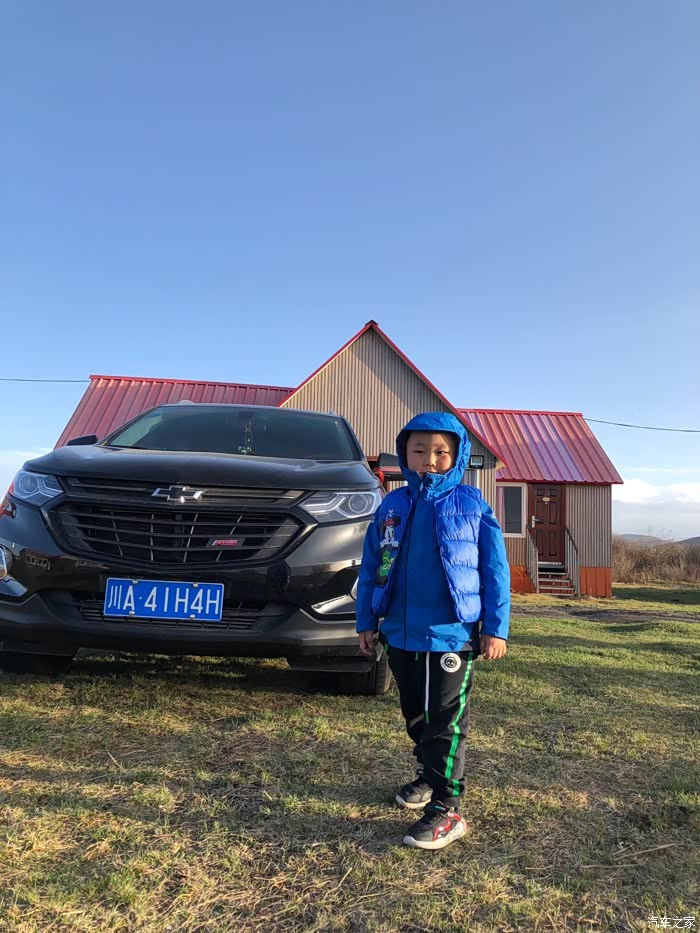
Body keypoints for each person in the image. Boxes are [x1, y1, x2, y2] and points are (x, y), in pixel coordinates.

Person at [356, 412, 510, 850]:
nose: (429, 459)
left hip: (451, 634)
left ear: (457, 456)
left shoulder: (472, 504)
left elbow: (495, 570)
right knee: (415, 715)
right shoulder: (391, 506)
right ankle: (428, 774)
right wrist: (367, 619)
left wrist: (495, 628)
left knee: (444, 719)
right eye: (419, 450)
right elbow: (372, 566)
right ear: (404, 454)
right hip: (400, 632)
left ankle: (447, 805)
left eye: (441, 451)